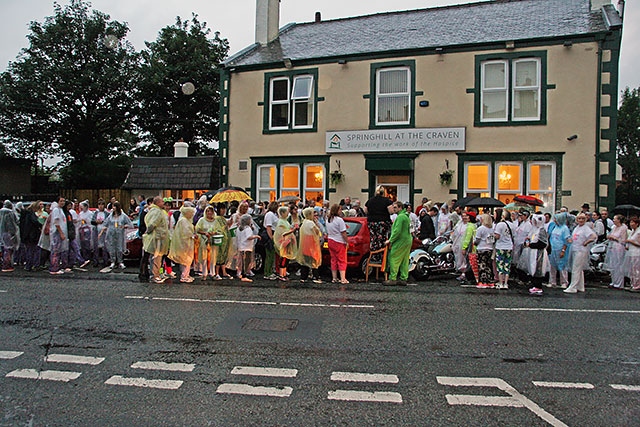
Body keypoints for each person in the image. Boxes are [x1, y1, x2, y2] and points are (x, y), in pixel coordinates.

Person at [564, 213, 597, 294]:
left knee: (576, 268)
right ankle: (580, 286)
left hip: (581, 250)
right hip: (575, 249)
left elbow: (593, 236)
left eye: (583, 218)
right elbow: (574, 238)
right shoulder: (577, 228)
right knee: (579, 269)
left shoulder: (586, 228)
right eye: (579, 218)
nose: (581, 220)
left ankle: (573, 287)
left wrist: (586, 242)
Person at [518, 214, 549, 295]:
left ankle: (538, 286)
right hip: (532, 252)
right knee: (532, 267)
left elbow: (542, 244)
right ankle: (534, 284)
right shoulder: (534, 229)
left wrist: (531, 245)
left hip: (538, 253)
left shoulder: (541, 230)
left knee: (538, 268)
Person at [383, 201, 412, 286]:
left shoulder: (400, 217)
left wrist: (390, 240)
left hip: (400, 241)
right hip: (407, 240)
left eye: (395, 207)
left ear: (400, 208)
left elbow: (397, 231)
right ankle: (403, 278)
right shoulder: (406, 216)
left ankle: (393, 278)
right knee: (404, 260)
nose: (394, 209)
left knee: (394, 258)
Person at [99, 201, 133, 272]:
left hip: (119, 234)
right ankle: (113, 261)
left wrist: (123, 226)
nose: (113, 208)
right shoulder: (110, 216)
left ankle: (120, 261)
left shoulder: (123, 216)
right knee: (112, 248)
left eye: (114, 206)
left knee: (119, 248)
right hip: (111, 234)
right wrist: (101, 233)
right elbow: (105, 224)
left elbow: (130, 224)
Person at [143, 196, 170, 284]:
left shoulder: (153, 211)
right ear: (158, 203)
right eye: (162, 201)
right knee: (156, 257)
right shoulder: (157, 212)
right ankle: (155, 275)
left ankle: (157, 274)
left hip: (158, 237)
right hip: (158, 238)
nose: (163, 203)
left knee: (157, 257)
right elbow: (152, 224)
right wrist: (149, 231)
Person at [168, 205, 196, 283]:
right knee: (186, 260)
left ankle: (186, 274)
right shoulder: (184, 221)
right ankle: (184, 276)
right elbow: (186, 232)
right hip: (185, 244)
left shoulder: (184, 220)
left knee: (185, 260)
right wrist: (193, 235)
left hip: (185, 243)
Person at [297, 207, 323, 284]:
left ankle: (303, 277)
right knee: (314, 260)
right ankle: (316, 276)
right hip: (311, 244)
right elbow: (317, 232)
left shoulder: (304, 222)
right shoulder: (311, 223)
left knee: (305, 261)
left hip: (305, 244)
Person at [546, 212, 572, 288]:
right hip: (553, 249)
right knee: (552, 266)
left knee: (562, 266)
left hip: (561, 249)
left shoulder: (564, 228)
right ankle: (552, 281)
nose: (555, 221)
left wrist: (563, 250)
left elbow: (567, 240)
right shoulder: (555, 227)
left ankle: (564, 282)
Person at [365, 185, 393, 253]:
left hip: (371, 222)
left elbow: (365, 211)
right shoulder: (387, 201)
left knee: (373, 238)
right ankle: (382, 254)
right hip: (382, 222)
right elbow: (391, 212)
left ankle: (374, 254)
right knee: (382, 238)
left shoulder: (370, 200)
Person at [326, 203, 349, 284]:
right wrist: (346, 241)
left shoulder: (328, 219)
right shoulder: (340, 220)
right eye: (340, 209)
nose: (341, 211)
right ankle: (343, 278)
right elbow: (343, 233)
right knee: (342, 260)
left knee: (333, 260)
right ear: (337, 210)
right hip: (339, 241)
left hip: (330, 240)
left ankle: (334, 278)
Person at [274, 206, 298, 282]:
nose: (288, 213)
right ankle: (281, 274)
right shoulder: (281, 222)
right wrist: (292, 230)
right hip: (284, 243)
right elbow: (283, 233)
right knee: (284, 259)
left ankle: (284, 274)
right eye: (286, 212)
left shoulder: (285, 221)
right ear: (282, 213)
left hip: (288, 242)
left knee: (286, 259)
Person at [604, 214, 628, 289]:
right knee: (613, 264)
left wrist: (614, 238)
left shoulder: (623, 228)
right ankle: (613, 281)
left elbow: (623, 240)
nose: (613, 220)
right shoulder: (613, 227)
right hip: (612, 246)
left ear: (619, 220)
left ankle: (619, 283)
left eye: (615, 219)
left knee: (619, 264)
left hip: (619, 247)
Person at [493, 210, 515, 290]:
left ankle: (500, 282)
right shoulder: (512, 225)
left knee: (500, 264)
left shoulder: (500, 224)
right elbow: (514, 236)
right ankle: (506, 283)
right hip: (509, 246)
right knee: (507, 264)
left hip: (500, 246)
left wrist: (493, 235)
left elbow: (497, 236)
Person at [236, 213, 261, 282]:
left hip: (241, 247)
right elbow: (249, 237)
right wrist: (256, 236)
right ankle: (244, 275)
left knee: (241, 262)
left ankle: (240, 273)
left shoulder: (239, 228)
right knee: (246, 262)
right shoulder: (247, 228)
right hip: (247, 247)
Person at [195, 205, 217, 280]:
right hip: (204, 240)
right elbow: (197, 229)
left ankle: (212, 272)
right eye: (208, 211)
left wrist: (214, 233)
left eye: (211, 211)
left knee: (213, 256)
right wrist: (204, 233)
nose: (209, 213)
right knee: (204, 257)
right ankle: (204, 273)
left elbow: (218, 230)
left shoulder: (215, 221)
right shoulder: (202, 220)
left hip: (213, 241)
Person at [474, 213, 495, 288]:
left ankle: (483, 282)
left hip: (481, 248)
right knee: (488, 265)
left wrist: (475, 243)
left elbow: (477, 240)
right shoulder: (492, 229)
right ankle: (490, 281)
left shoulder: (481, 229)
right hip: (489, 248)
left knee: (482, 265)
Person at [48, 197, 69, 275]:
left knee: (58, 250)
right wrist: (61, 233)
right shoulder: (56, 210)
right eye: (61, 201)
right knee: (55, 251)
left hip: (60, 233)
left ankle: (56, 267)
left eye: (64, 201)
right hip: (56, 233)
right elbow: (56, 223)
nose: (62, 202)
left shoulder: (60, 210)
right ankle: (54, 268)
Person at [20, 202, 42, 272]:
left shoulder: (25, 214)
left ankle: (28, 265)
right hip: (32, 235)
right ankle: (32, 265)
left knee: (29, 250)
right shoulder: (31, 214)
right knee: (33, 250)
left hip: (27, 235)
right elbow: (35, 222)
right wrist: (41, 225)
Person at [213, 203, 232, 280]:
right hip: (220, 239)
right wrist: (226, 225)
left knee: (224, 255)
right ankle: (217, 272)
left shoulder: (223, 218)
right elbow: (218, 229)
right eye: (222, 209)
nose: (224, 211)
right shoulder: (217, 219)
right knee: (219, 255)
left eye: (224, 209)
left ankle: (224, 272)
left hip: (226, 239)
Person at [0, 200, 20, 272]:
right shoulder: (9, 212)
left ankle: (4, 263)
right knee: (9, 249)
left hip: (2, 232)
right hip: (8, 233)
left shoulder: (1, 212)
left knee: (4, 248)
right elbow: (12, 223)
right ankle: (7, 264)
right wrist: (13, 233)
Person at [452, 211, 471, 280]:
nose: (464, 217)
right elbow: (455, 233)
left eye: (465, 216)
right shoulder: (459, 224)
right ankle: (461, 271)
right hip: (458, 243)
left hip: (465, 244)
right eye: (463, 216)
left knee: (464, 259)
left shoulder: (469, 225)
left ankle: (464, 273)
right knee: (459, 259)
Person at [262, 201, 279, 280]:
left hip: (272, 233)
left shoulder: (272, 214)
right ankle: (267, 273)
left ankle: (269, 271)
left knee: (271, 255)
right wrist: (271, 237)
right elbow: (268, 227)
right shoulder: (270, 215)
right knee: (269, 255)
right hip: (270, 234)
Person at [623, 217, 640, 291]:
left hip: (637, 252)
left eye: (633, 222)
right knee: (632, 269)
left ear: (637, 224)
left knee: (636, 269)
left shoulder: (638, 232)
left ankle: (637, 285)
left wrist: (630, 241)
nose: (631, 224)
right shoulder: (632, 231)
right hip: (631, 252)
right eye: (630, 222)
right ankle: (633, 283)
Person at [91, 199, 109, 267]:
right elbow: (92, 221)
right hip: (96, 231)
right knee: (96, 247)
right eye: (99, 204)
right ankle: (95, 261)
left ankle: (105, 261)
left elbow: (108, 222)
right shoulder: (95, 213)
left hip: (104, 232)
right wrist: (96, 222)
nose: (101, 206)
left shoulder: (107, 213)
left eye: (102, 204)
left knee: (105, 247)